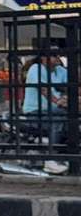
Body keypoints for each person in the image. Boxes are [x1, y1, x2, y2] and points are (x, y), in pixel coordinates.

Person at [23, 43, 68, 174]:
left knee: (72, 117)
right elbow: (44, 89)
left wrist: (66, 97)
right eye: (53, 55)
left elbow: (69, 86)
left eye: (58, 55)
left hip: (55, 109)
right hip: (35, 111)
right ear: (43, 57)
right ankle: (50, 158)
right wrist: (58, 101)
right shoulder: (36, 69)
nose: (57, 58)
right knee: (58, 118)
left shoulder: (61, 70)